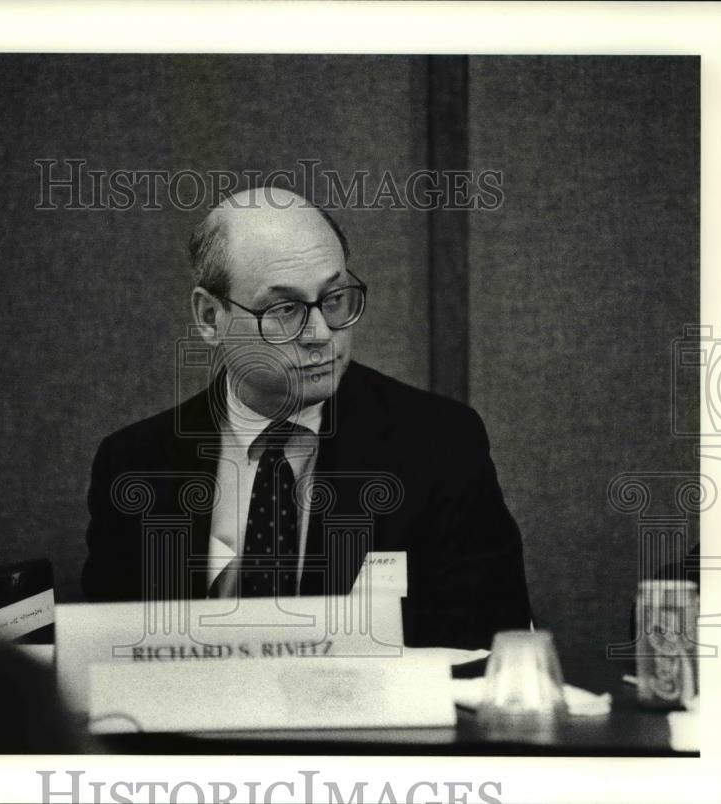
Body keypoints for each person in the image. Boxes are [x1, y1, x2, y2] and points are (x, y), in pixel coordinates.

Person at [82, 186, 531, 648]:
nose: (320, 334)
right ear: (210, 317)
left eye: (334, 299)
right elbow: (111, 658)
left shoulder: (439, 444)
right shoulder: (135, 463)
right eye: (285, 309)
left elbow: (490, 644)